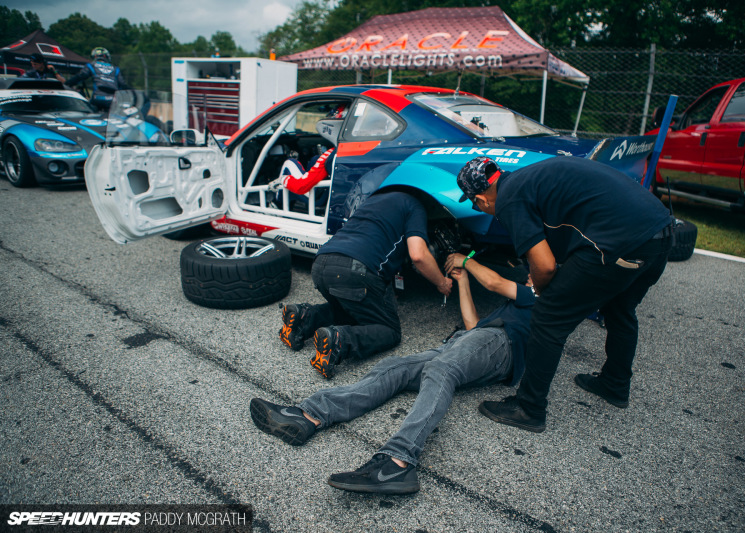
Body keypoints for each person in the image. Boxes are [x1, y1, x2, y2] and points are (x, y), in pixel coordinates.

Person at [250, 253, 536, 494]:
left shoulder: (540, 297)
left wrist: (466, 261)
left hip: (500, 344)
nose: (528, 276)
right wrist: (462, 282)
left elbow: (494, 282)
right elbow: (473, 326)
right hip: (469, 341)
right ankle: (308, 415)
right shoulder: (517, 302)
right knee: (394, 367)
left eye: (533, 273)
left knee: (440, 369)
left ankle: (398, 462)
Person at [455, 156, 673, 432]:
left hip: (622, 241)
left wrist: (544, 294)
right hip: (660, 232)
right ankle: (614, 384)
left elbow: (544, 267)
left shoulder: (509, 199)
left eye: (474, 203)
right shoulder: (526, 179)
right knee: (619, 309)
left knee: (548, 318)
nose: (480, 208)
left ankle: (528, 408)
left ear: (480, 199)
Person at [279, 189, 452, 378]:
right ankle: (339, 341)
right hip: (355, 270)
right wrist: (441, 282)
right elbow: (418, 255)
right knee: (389, 331)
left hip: (321, 263)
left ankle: (304, 317)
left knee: (352, 309)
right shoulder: (415, 205)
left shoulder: (373, 200)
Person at [272, 105, 348, 196]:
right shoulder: (360, 152)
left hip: (314, 196)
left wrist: (282, 180)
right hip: (332, 195)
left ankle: (276, 204)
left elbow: (301, 186)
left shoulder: (330, 154)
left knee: (289, 163)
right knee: (315, 159)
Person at [66, 47, 128, 112]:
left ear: (94, 57)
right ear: (107, 56)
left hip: (97, 98)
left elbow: (81, 76)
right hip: (112, 100)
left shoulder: (91, 65)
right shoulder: (115, 68)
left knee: (91, 116)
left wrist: (67, 84)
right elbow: (122, 84)